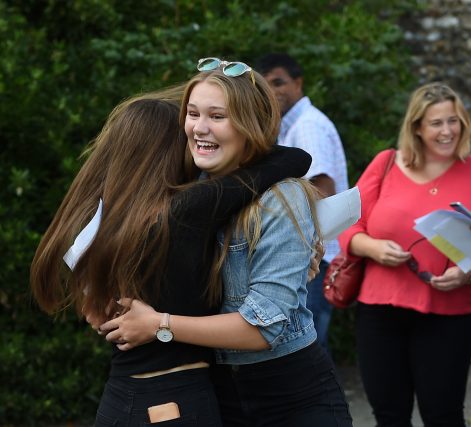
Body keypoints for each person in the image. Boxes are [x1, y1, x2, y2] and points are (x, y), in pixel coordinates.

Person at [29, 78, 312, 424]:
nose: (194, 137)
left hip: (123, 398)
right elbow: (294, 158)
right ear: (164, 152)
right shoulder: (184, 212)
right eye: (186, 132)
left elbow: (95, 310)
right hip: (173, 401)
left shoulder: (101, 223)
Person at [98, 59, 353, 427]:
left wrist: (159, 324)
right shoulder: (186, 186)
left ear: (249, 125)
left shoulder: (281, 197)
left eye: (217, 116)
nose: (199, 128)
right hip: (220, 393)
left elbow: (262, 328)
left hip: (293, 397)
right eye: (192, 113)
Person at [338, 82, 471, 426]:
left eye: (453, 121)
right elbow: (346, 227)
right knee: (388, 415)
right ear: (416, 127)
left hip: (450, 314)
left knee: (443, 415)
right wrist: (373, 247)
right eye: (436, 123)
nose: (447, 131)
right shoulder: (385, 164)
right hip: (380, 312)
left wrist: (470, 272)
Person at [256, 52, 349, 351]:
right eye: (265, 85)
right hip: (310, 256)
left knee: (306, 348)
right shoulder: (291, 125)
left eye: (279, 82)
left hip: (315, 258)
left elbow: (323, 187)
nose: (273, 91)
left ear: (298, 83)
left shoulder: (307, 125)